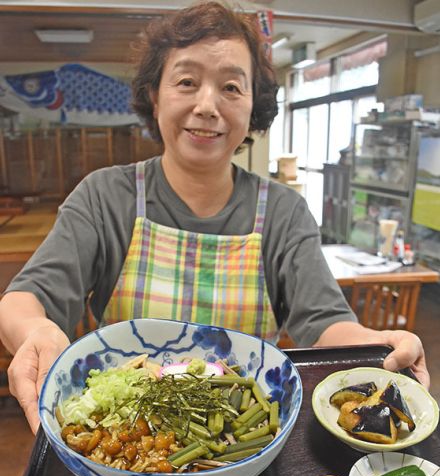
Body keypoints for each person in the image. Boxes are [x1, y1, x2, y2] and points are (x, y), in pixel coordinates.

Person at [0, 0, 428, 434]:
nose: (207, 105)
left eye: (230, 88)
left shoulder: (283, 211)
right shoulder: (106, 196)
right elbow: (24, 299)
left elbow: (326, 323)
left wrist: (378, 346)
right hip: (128, 437)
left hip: (242, 437)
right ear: (154, 95)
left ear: (252, 106)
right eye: (187, 81)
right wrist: (34, 330)